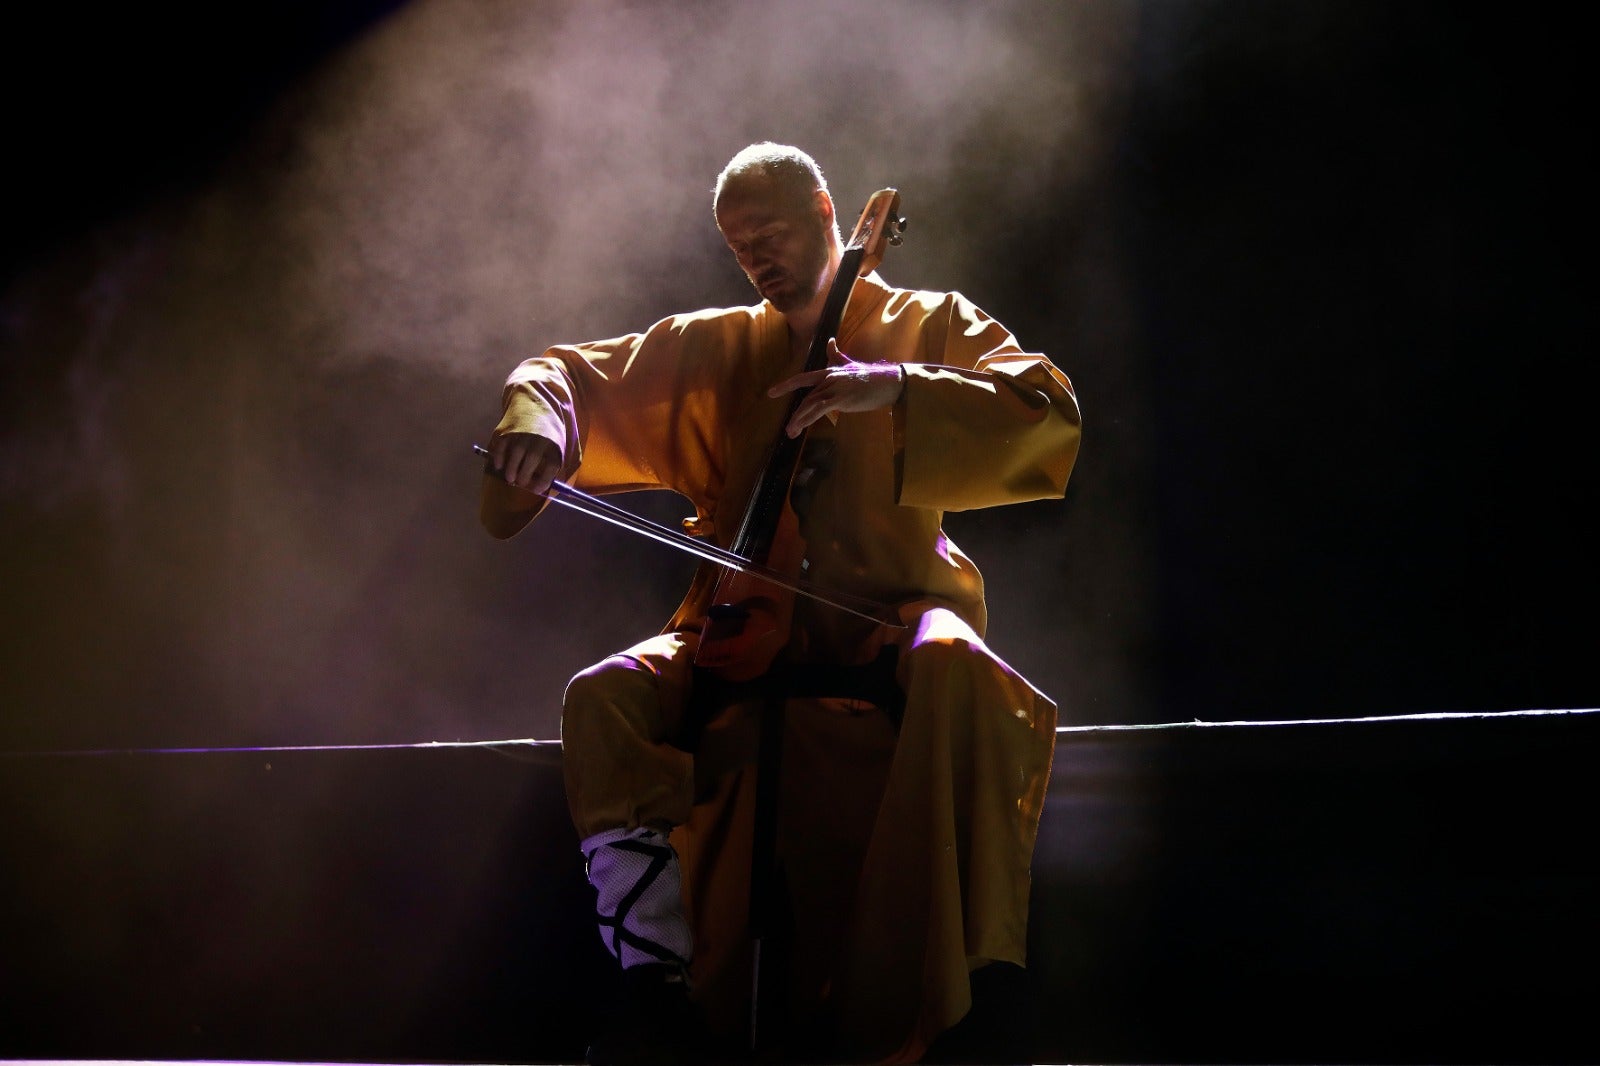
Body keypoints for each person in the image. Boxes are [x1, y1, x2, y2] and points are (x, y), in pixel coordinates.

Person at [481, 142, 1081, 1065]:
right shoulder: (717, 345)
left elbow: (1044, 407)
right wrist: (539, 429)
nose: (756, 257)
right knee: (603, 696)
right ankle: (655, 986)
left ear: (825, 213)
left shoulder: (926, 321)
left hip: (888, 620)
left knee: (956, 661)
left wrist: (894, 387)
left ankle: (974, 987)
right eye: (738, 245)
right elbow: (565, 375)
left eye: (770, 233)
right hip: (737, 627)